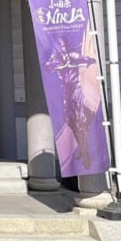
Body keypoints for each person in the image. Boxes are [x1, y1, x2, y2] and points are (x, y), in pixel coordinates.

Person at [44, 35, 97, 168]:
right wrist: (53, 65)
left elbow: (84, 59)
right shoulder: (56, 58)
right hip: (65, 92)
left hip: (76, 90)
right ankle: (81, 148)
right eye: (59, 46)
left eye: (63, 45)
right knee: (70, 120)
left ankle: (85, 155)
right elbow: (48, 66)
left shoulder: (72, 55)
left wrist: (87, 60)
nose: (61, 48)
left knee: (80, 121)